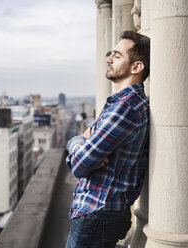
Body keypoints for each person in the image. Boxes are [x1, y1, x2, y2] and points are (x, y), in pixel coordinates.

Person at [65, 30, 150, 248]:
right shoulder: (119, 103)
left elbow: (79, 164)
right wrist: (81, 144)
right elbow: (84, 156)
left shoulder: (126, 107)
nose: (108, 59)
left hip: (97, 215)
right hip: (97, 215)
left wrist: (77, 144)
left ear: (136, 67)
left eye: (117, 56)